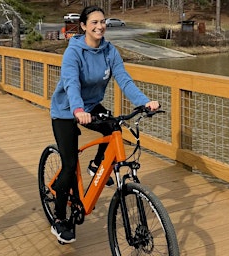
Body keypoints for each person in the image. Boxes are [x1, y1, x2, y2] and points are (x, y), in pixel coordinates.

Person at [49, 5, 160, 244]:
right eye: (94, 23)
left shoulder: (110, 51)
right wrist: (77, 109)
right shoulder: (74, 52)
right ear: (83, 26)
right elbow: (71, 83)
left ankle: (96, 165)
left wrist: (145, 102)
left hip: (89, 107)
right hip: (67, 109)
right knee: (68, 166)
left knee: (114, 128)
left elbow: (124, 80)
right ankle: (59, 220)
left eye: (103, 22)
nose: (100, 26)